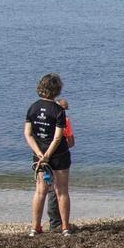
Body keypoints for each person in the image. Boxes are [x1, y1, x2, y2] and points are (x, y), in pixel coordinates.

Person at [22, 74, 71, 236]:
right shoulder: (58, 110)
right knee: (62, 190)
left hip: (39, 155)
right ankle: (65, 227)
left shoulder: (33, 108)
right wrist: (48, 155)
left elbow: (28, 134)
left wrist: (40, 154)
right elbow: (58, 137)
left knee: (40, 191)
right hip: (58, 155)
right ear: (57, 90)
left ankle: (35, 227)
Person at [42, 97, 75, 234]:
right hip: (59, 157)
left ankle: (54, 222)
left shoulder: (44, 119)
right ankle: (58, 223)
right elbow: (71, 142)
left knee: (47, 188)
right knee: (59, 191)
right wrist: (61, 149)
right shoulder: (64, 120)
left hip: (43, 155)